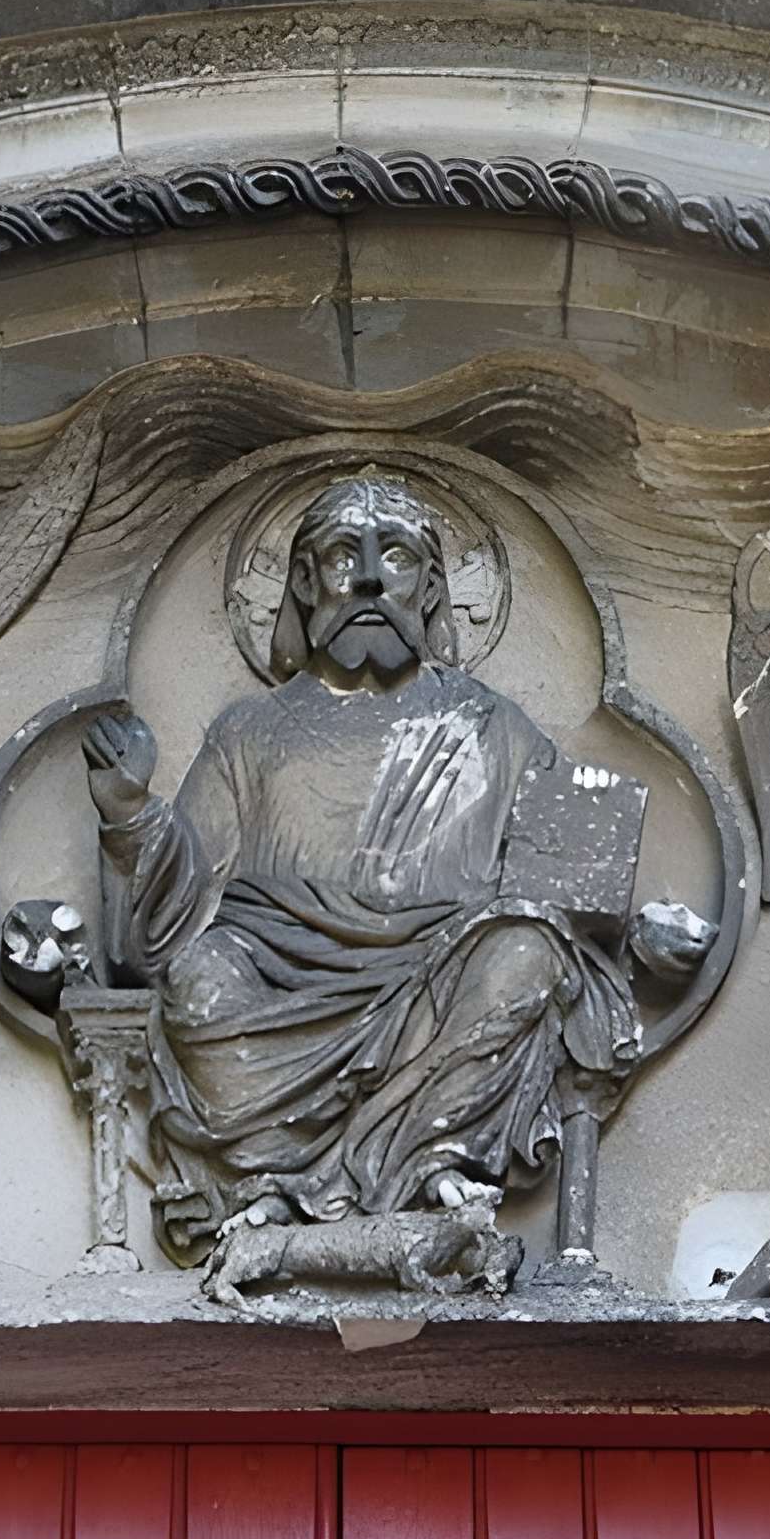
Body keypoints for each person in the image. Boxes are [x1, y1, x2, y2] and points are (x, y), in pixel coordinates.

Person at [82, 474, 642, 1257]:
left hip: (438, 994)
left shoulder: (494, 725)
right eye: (346, 553)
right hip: (278, 985)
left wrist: (631, 925)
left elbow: (579, 893)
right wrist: (130, 812)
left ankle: (431, 1154)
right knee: (200, 983)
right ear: (305, 585)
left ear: (432, 588)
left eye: (400, 557)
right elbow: (176, 917)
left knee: (527, 956)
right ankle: (276, 1172)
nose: (373, 577)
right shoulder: (248, 732)